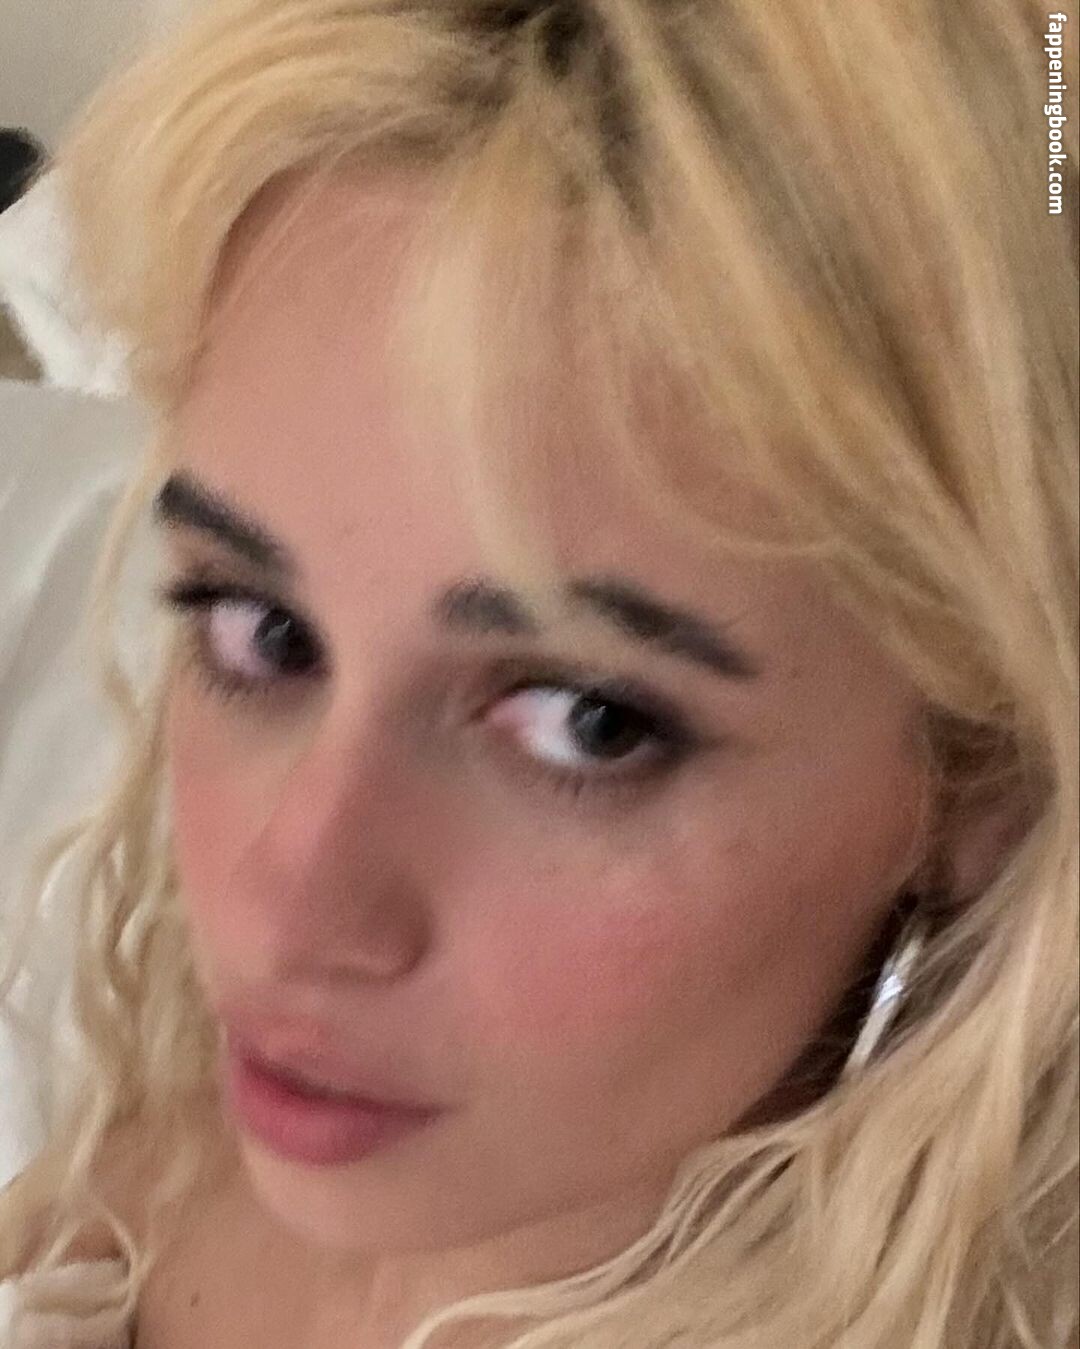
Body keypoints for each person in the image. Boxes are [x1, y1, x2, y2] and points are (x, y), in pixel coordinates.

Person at [0, 1, 1076, 1345]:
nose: (288, 908)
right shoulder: (163, 1146)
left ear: (983, 780)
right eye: (261, 631)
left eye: (590, 724)